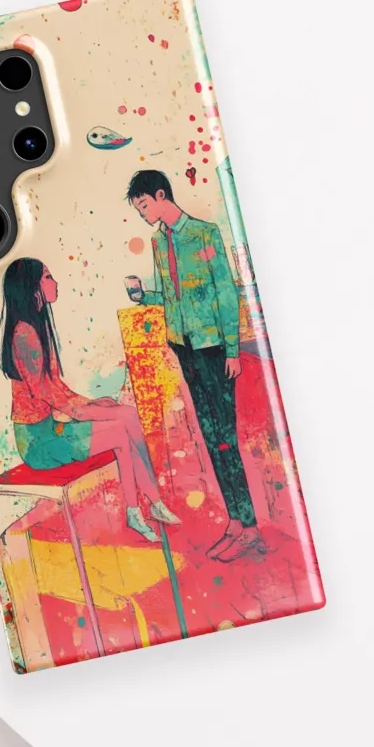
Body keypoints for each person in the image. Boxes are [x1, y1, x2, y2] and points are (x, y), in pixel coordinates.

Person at [126, 169, 263, 562]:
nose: (143, 214)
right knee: (211, 438)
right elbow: (174, 298)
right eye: (138, 209)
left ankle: (249, 526)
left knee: (226, 438)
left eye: (144, 205)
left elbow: (225, 292)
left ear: (161, 195)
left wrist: (233, 350)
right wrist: (144, 296)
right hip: (184, 349)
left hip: (213, 348)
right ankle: (234, 523)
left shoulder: (204, 233)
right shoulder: (158, 242)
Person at [0, 257, 180, 543]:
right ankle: (147, 504)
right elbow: (46, 394)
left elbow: (57, 387)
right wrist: (88, 411)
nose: (55, 283)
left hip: (53, 428)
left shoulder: (35, 327)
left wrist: (94, 404)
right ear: (31, 287)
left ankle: (144, 506)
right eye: (48, 277)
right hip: (39, 442)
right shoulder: (24, 334)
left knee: (124, 416)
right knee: (124, 422)